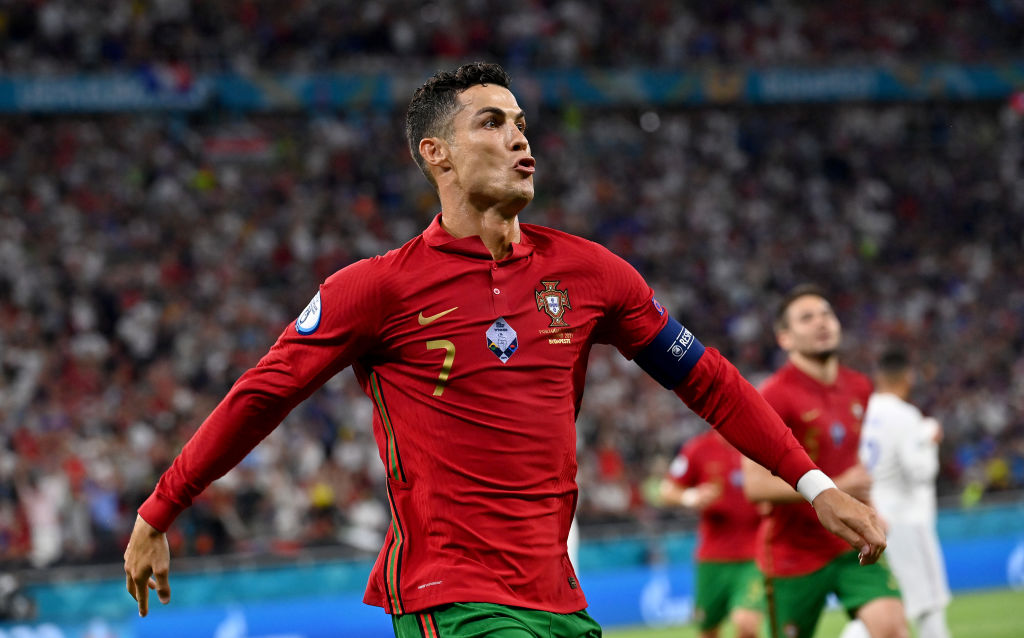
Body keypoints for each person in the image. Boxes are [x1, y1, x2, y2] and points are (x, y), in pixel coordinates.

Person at [123, 63, 887, 637]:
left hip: (559, 597)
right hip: (451, 596)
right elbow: (263, 395)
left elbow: (708, 380)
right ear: (437, 154)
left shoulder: (591, 273)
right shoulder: (376, 288)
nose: (520, 139)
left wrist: (816, 486)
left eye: (521, 123)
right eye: (491, 123)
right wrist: (160, 510)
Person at [742, 284, 907, 638]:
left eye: (826, 314)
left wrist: (872, 509)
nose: (821, 322)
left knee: (893, 630)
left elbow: (854, 461)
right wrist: (836, 487)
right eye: (807, 318)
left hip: (851, 541)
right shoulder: (771, 396)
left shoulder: (859, 386)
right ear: (785, 338)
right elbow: (755, 486)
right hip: (793, 553)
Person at [859, 346, 952, 638]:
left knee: (880, 606)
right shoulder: (905, 415)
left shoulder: (864, 411)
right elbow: (920, 472)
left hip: (872, 516)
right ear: (908, 376)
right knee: (929, 604)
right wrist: (929, 441)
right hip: (906, 519)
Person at [660, 429, 765, 638]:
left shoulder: (761, 445)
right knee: (708, 630)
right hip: (713, 558)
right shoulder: (698, 448)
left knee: (747, 625)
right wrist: (692, 497)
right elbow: (666, 490)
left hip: (754, 556)